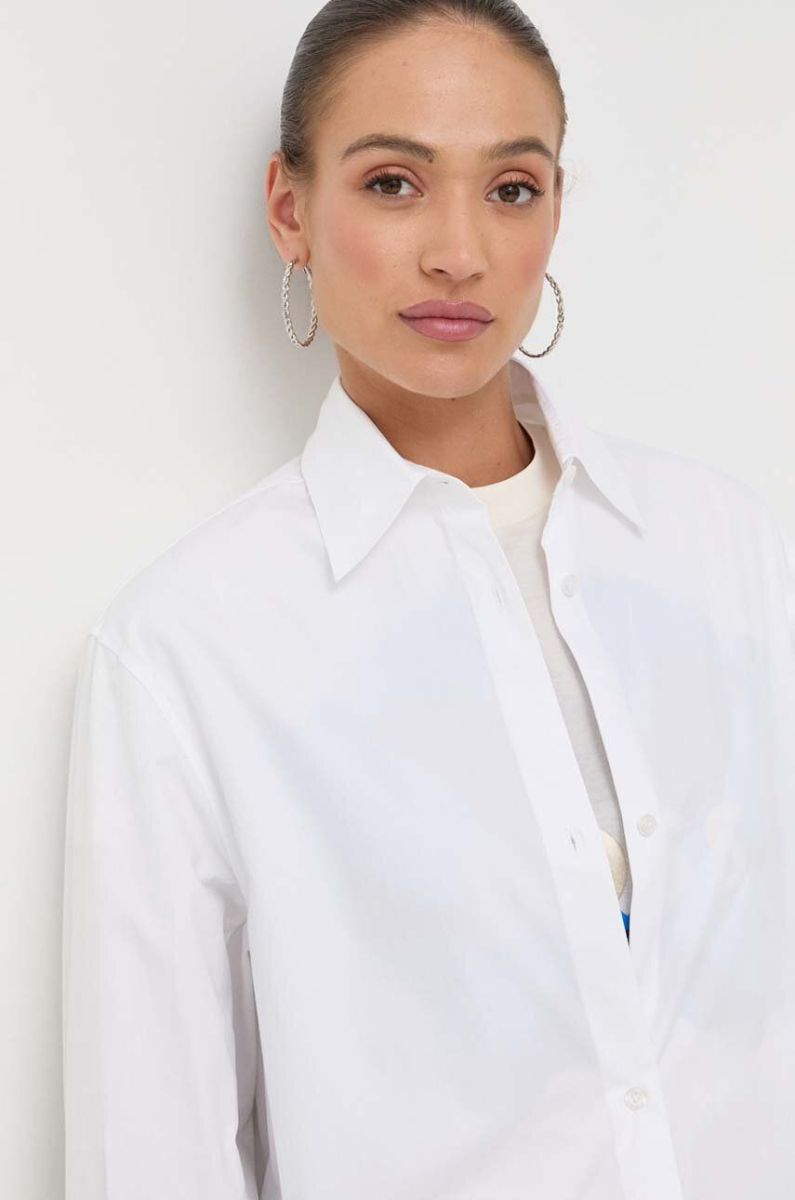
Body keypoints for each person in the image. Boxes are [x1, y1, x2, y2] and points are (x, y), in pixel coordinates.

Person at [61, 2, 795, 1198]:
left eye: (511, 189)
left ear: (556, 209)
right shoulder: (191, 651)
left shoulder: (729, 555)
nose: (460, 251)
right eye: (394, 183)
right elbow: (150, 1156)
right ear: (290, 210)